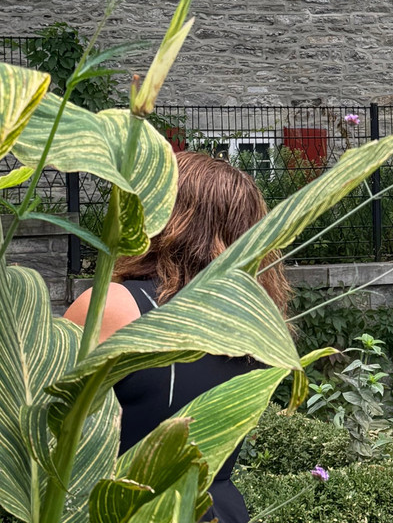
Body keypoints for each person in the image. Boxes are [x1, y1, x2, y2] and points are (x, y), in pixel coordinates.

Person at [64, 151, 291, 523]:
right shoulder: (252, 326)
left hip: (129, 512)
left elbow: (42, 427)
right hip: (220, 510)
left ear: (163, 219)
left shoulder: (115, 307)